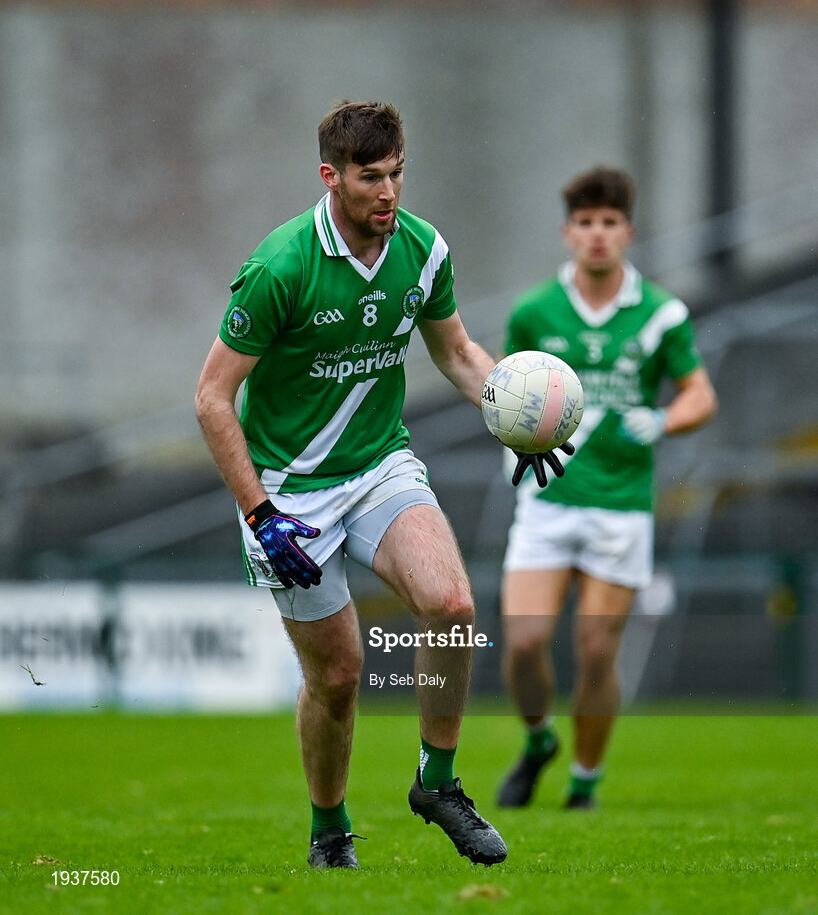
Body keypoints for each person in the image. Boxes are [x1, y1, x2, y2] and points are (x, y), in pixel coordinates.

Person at [195, 101, 571, 868]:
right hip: (288, 494)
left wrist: (516, 418)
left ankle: (437, 784)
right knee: (337, 677)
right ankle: (329, 830)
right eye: (371, 177)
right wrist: (260, 513)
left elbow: (457, 352)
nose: (389, 191)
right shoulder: (282, 267)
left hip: (378, 467)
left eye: (397, 173)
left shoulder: (423, 249)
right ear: (331, 177)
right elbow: (211, 398)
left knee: (453, 606)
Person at [497, 166, 717, 811]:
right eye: (586, 222)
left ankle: (584, 784)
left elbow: (700, 394)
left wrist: (665, 419)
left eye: (610, 222)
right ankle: (539, 740)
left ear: (629, 232)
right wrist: (514, 438)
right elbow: (503, 390)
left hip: (621, 505)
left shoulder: (660, 314)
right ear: (568, 232)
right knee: (524, 644)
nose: (598, 234)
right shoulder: (534, 311)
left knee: (596, 652)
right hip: (547, 498)